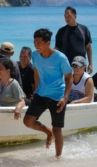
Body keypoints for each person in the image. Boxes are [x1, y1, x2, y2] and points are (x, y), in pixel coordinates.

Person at [23, 28, 72, 158]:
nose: (36, 45)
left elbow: (69, 77)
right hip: (41, 94)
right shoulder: (34, 55)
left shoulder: (60, 58)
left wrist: (65, 98)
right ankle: (47, 132)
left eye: (39, 42)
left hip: (57, 97)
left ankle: (58, 159)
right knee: (28, 121)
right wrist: (36, 89)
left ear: (48, 43)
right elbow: (37, 71)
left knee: (57, 129)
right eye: (34, 42)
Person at [55, 6, 93, 74]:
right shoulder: (61, 31)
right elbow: (57, 49)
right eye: (65, 16)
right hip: (66, 66)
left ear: (75, 16)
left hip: (81, 65)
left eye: (69, 16)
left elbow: (88, 48)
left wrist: (90, 64)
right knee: (68, 84)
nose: (66, 18)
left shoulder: (84, 29)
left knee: (81, 84)